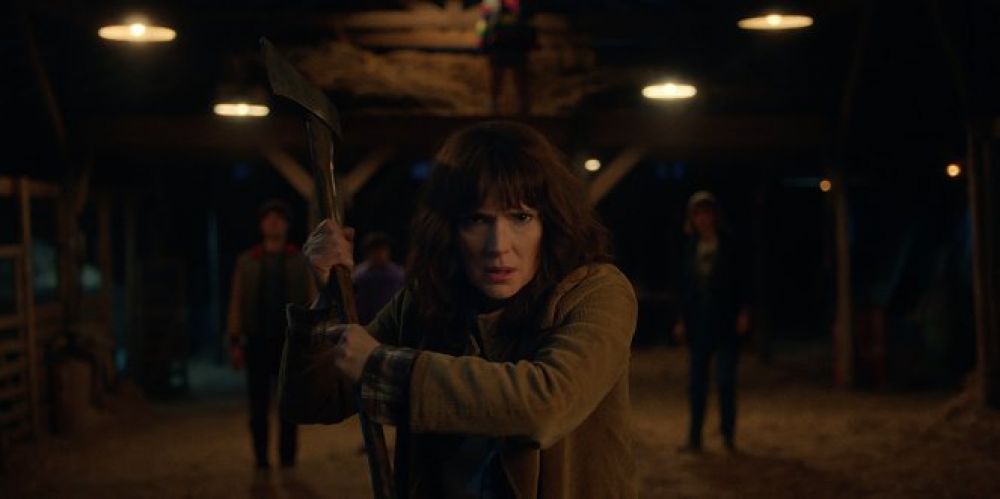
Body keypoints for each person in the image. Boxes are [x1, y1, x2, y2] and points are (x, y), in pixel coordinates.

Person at [281, 121, 638, 498]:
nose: (498, 246)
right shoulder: (426, 300)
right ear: (449, 229)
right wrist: (327, 298)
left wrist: (385, 368)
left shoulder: (596, 293)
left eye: (520, 217)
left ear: (549, 223)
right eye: (477, 220)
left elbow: (546, 406)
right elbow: (310, 401)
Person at [227, 200, 315, 470]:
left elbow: (311, 299)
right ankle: (261, 458)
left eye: (279, 218)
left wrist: (312, 338)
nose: (273, 222)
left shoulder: (301, 261)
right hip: (257, 341)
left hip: (290, 342)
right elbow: (237, 301)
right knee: (258, 405)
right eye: (268, 218)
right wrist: (235, 340)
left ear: (287, 225)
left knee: (289, 403)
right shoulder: (248, 261)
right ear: (261, 225)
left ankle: (288, 458)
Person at [674, 191, 750, 453]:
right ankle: (695, 437)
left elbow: (742, 280)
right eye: (698, 214)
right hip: (699, 321)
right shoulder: (689, 247)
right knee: (697, 382)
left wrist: (743, 312)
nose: (703, 219)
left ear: (714, 216)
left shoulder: (729, 245)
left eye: (706, 213)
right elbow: (684, 286)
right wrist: (682, 320)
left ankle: (728, 435)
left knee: (726, 380)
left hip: (725, 319)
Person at [352, 232, 406, 325]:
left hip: (390, 323)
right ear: (368, 253)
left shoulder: (397, 275)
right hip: (365, 322)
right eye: (375, 251)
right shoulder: (359, 275)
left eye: (382, 250)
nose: (379, 254)